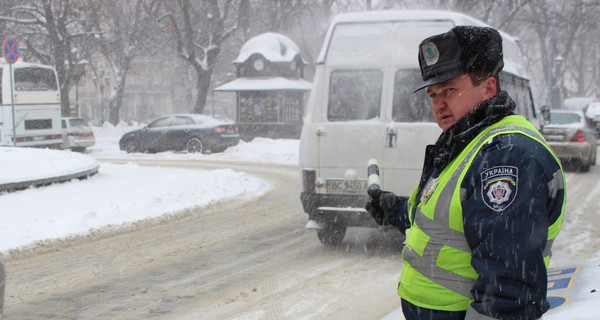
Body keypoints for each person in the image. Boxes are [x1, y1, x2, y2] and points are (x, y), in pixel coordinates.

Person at [367, 25, 565, 320]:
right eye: (433, 94)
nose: (439, 104)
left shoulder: (505, 157)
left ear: (488, 88)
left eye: (449, 89)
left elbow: (507, 289)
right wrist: (392, 207)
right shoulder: (467, 140)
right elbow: (449, 222)